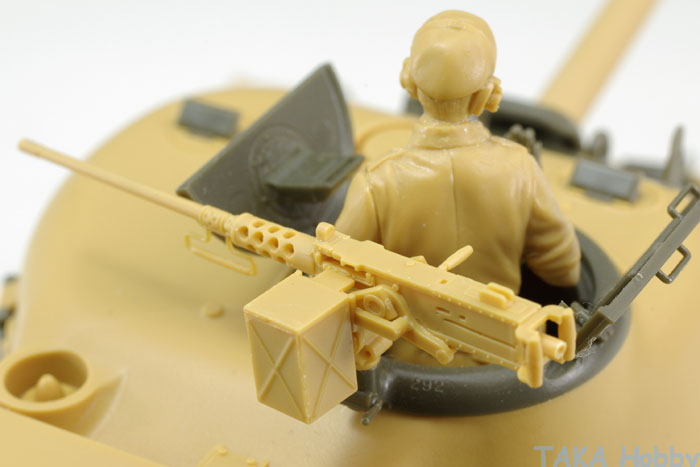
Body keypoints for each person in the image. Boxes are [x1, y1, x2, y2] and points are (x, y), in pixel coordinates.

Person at [335, 10, 580, 293]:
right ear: (488, 93)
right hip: (496, 317)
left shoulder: (376, 182)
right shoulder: (521, 168)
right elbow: (564, 270)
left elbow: (337, 268)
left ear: (409, 80)